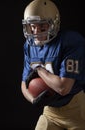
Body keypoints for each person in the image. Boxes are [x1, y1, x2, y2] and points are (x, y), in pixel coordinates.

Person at [21, 0, 85, 129]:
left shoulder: (70, 42)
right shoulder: (29, 46)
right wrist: (33, 100)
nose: (36, 32)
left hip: (75, 108)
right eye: (32, 26)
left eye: (42, 26)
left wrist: (40, 70)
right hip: (51, 112)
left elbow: (63, 88)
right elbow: (24, 84)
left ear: (54, 23)